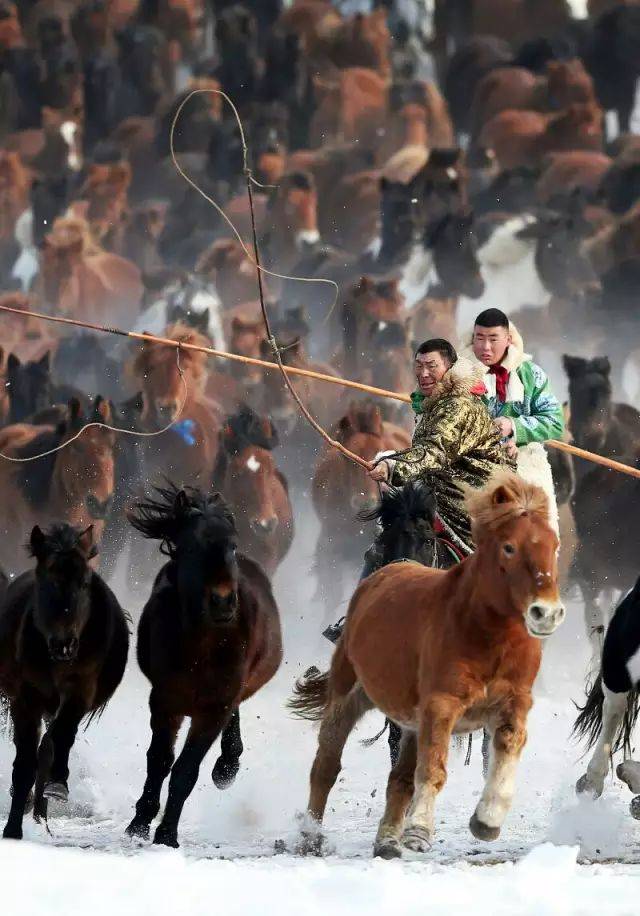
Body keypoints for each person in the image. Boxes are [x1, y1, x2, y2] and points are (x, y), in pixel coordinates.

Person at [461, 308, 564, 532]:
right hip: (466, 463)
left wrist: (514, 426)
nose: (485, 347)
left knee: (542, 529)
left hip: (524, 462)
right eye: (480, 338)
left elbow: (555, 422)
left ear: (507, 339)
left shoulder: (531, 375)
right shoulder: (456, 374)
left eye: (493, 339)